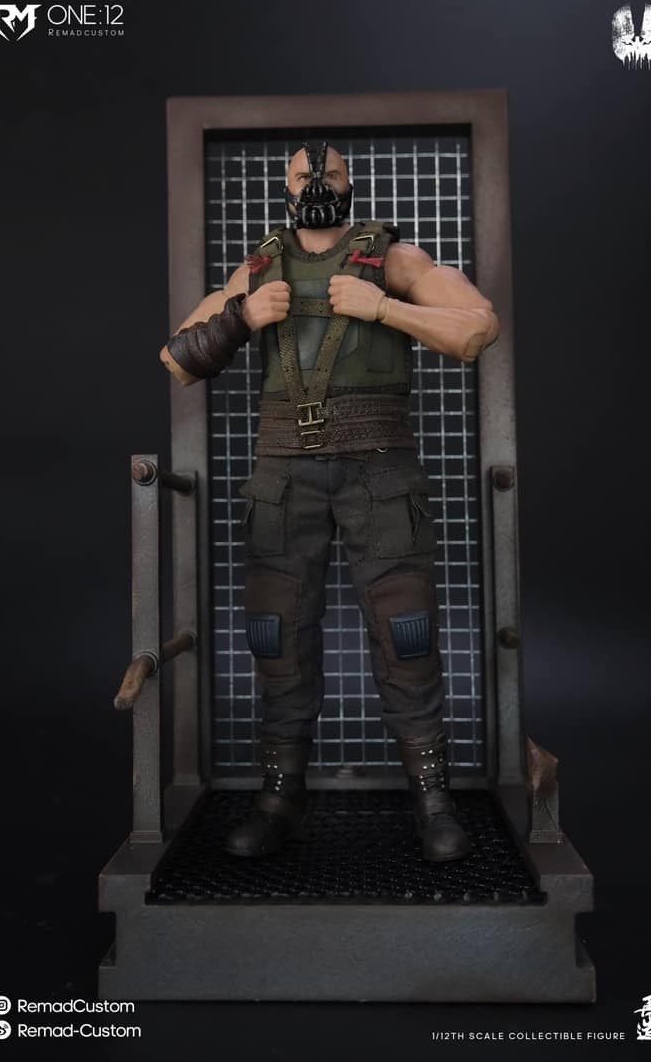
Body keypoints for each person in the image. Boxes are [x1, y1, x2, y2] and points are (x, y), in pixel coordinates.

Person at [160, 142, 499, 862]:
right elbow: (176, 360)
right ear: (284, 188)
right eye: (303, 174)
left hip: (380, 472)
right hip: (284, 478)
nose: (318, 182)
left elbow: (477, 327)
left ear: (350, 183)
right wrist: (241, 318)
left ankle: (433, 799)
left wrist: (386, 309)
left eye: (332, 173)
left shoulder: (393, 259)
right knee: (278, 637)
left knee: (407, 634)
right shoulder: (257, 270)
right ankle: (280, 797)